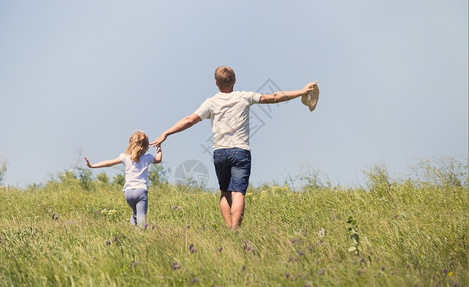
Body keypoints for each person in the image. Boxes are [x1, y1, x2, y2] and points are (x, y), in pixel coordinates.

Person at [152, 66, 317, 230]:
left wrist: (166, 133)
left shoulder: (211, 102)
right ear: (235, 81)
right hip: (240, 151)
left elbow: (189, 120)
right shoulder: (244, 97)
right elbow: (274, 97)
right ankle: (235, 230)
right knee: (238, 193)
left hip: (220, 152)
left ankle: (229, 228)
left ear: (216, 83)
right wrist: (301, 92)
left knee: (224, 192)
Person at [84, 130, 162, 227]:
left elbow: (109, 163)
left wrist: (92, 166)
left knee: (135, 213)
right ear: (146, 147)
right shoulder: (148, 157)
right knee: (141, 216)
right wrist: (159, 147)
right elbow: (158, 160)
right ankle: (141, 234)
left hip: (128, 193)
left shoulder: (125, 157)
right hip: (141, 191)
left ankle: (131, 232)